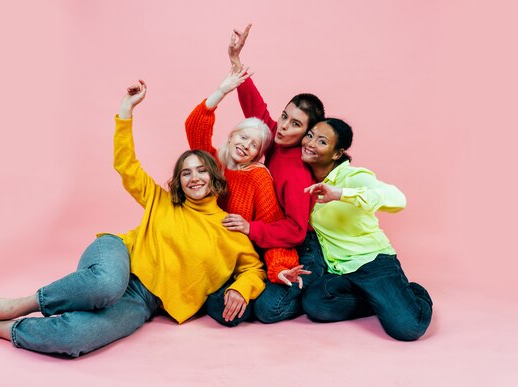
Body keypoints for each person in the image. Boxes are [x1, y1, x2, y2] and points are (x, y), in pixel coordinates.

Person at [0, 81, 266, 357]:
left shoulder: (230, 229)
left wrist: (240, 288)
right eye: (185, 173)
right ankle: (23, 304)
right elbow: (127, 166)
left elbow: (254, 268)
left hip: (143, 301)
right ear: (178, 181)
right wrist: (126, 111)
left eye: (200, 171)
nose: (193, 178)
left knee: (73, 339)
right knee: (106, 284)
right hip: (116, 255)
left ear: (215, 178)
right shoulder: (163, 202)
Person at [185, 65, 309, 326]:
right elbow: (195, 128)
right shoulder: (214, 165)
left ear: (258, 154)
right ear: (231, 137)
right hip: (212, 252)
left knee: (227, 313)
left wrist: (280, 268)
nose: (246, 146)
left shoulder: (258, 176)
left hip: (245, 259)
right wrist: (221, 91)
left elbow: (272, 221)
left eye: (254, 145)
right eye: (243, 137)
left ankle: (253, 295)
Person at [225, 24, 327, 323]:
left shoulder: (296, 170)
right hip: (272, 239)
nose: (283, 126)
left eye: (295, 124)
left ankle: (324, 288)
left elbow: (296, 230)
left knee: (269, 310)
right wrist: (235, 58)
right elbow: (255, 109)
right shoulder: (275, 139)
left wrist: (250, 228)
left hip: (300, 246)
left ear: (307, 133)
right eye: (284, 116)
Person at [301, 118, 433, 341]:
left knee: (408, 328)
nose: (311, 143)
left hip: (372, 262)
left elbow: (398, 199)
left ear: (336, 153)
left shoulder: (353, 176)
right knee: (315, 304)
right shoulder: (302, 177)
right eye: (310, 135)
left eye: (322, 141)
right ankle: (381, 301)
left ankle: (413, 292)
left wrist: (341, 193)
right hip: (340, 270)